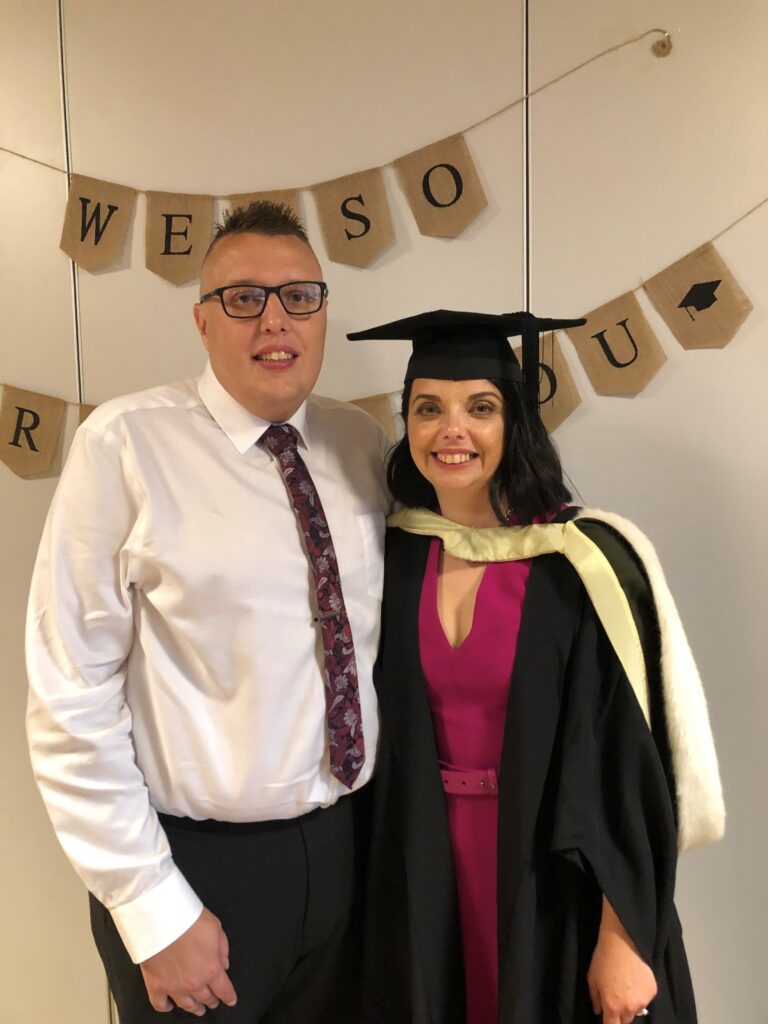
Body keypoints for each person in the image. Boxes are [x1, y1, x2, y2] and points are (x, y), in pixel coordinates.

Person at [26, 201, 389, 1023]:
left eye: (299, 296)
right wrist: (149, 906)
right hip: (195, 870)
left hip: (350, 856)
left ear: (323, 313)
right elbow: (68, 691)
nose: (274, 320)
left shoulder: (361, 447)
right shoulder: (124, 445)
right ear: (201, 319)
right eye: (242, 298)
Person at [347, 310, 725, 1024]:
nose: (450, 430)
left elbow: (629, 764)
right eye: (427, 409)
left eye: (479, 408)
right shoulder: (391, 558)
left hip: (552, 877)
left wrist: (625, 935)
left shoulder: (584, 564)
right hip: (421, 871)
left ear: (515, 422)